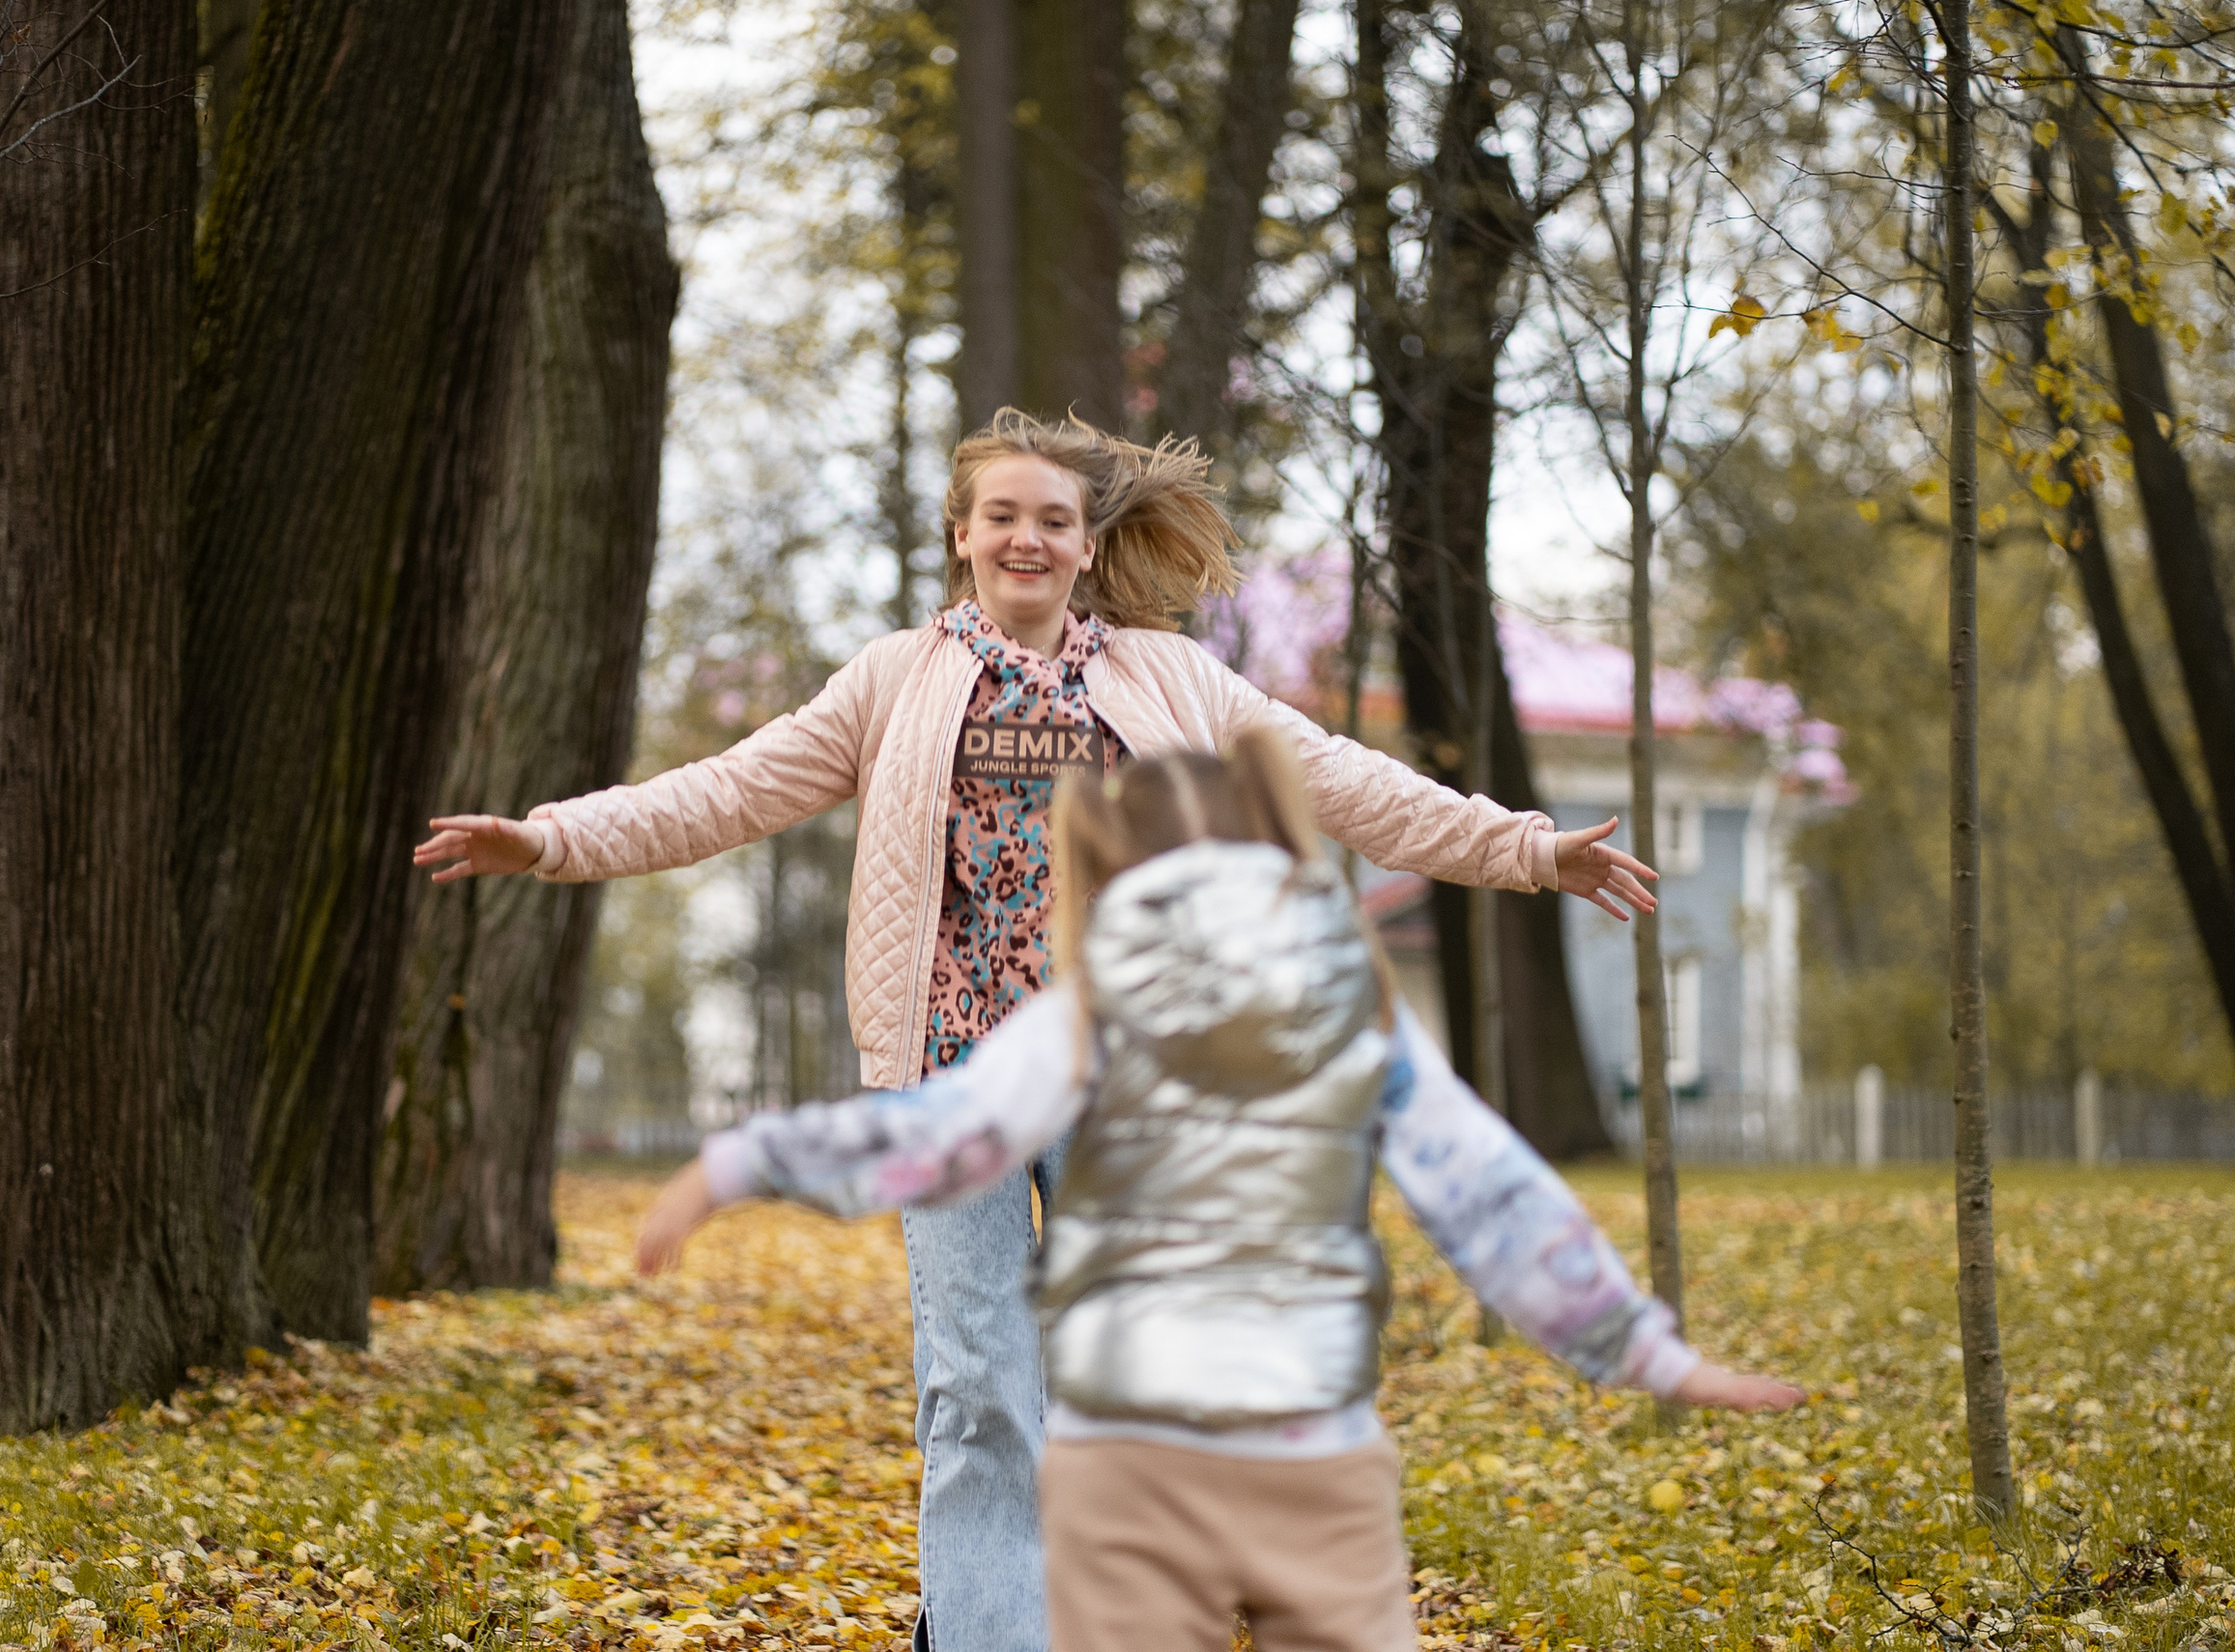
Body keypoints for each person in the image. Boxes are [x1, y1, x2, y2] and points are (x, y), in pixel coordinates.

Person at [413, 410, 1662, 1652]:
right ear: (962, 535)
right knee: (979, 1390)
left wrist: (1529, 848)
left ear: (1084, 541)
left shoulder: (1166, 677)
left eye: (1051, 519)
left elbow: (1338, 778)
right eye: (1000, 516)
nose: (1026, 537)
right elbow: (730, 788)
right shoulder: (895, 680)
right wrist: (552, 837)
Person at [633, 730, 1802, 1652]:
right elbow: (1491, 1195)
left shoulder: (1082, 1019)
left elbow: (933, 1139)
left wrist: (736, 1166)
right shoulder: (1350, 1014)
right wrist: (1642, 1351)